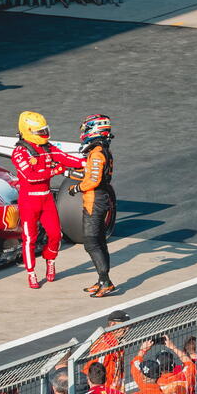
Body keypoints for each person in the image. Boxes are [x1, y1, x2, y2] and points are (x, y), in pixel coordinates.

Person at [11, 111, 85, 289]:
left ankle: (50, 261)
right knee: (29, 238)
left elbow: (65, 158)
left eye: (45, 130)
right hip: (28, 201)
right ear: (28, 131)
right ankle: (31, 273)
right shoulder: (19, 153)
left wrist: (86, 163)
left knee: (55, 235)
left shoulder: (47, 147)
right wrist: (56, 170)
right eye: (40, 132)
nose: (44, 134)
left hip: (46, 199)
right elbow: (31, 177)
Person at [70, 114, 116, 298]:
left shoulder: (97, 153)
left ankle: (105, 282)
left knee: (90, 242)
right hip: (101, 198)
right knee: (99, 241)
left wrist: (76, 188)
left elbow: (93, 180)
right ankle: (102, 280)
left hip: (94, 200)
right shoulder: (102, 150)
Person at [131, 336, 196, 394]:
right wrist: (172, 347)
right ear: (173, 364)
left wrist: (142, 351)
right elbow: (189, 364)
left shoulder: (151, 384)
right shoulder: (183, 378)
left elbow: (135, 368)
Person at [82, 310, 130, 390]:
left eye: (128, 326)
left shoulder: (117, 342)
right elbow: (94, 374)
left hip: (113, 390)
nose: (127, 329)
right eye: (125, 326)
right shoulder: (104, 346)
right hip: (103, 392)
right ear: (112, 324)